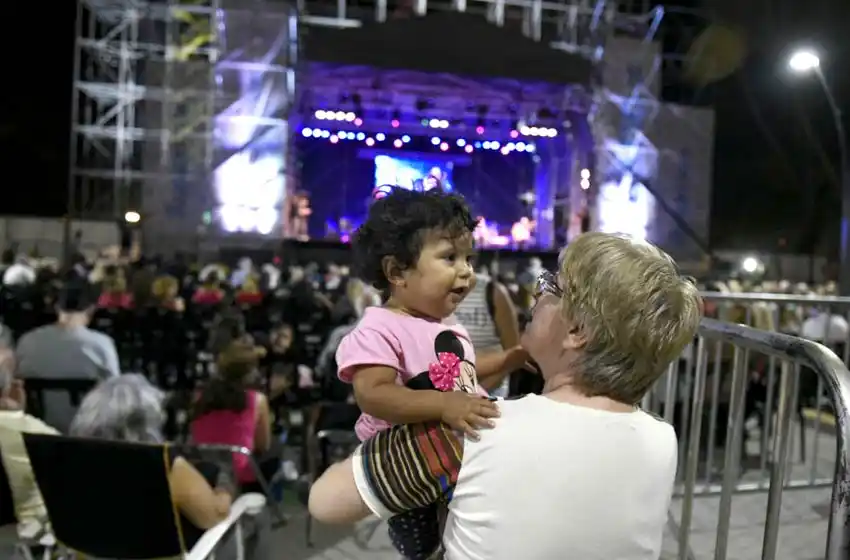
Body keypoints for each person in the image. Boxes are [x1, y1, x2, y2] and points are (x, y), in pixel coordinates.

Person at [309, 232, 702, 560]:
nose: (537, 292)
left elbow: (326, 502)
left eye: (553, 286)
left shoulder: (472, 428)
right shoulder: (661, 440)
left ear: (577, 331)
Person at [334, 188, 499, 559]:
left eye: (469, 258)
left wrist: (512, 358)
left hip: (457, 460)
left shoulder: (447, 324)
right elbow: (374, 394)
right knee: (430, 548)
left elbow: (462, 377)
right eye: (450, 257)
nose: (466, 271)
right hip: (414, 467)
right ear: (397, 272)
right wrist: (444, 406)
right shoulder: (379, 329)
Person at [17, 280, 121, 431]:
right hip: (88, 431)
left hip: (38, 430)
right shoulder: (102, 344)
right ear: (91, 309)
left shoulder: (28, 341)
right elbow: (114, 389)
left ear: (56, 307)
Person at [190, 342, 276, 493]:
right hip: (239, 473)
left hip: (201, 467)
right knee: (275, 449)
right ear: (250, 372)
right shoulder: (257, 400)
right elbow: (263, 445)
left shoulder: (199, 398)